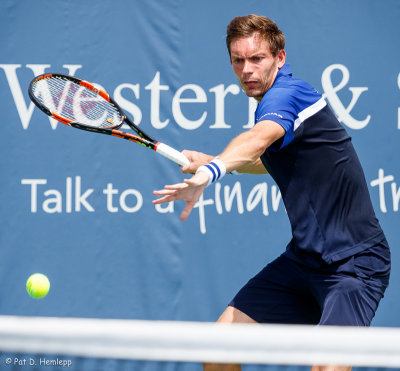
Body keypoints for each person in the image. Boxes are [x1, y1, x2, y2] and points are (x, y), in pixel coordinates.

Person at [153, 14, 391, 371]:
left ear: (280, 58)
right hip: (304, 261)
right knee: (219, 349)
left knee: (327, 367)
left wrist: (212, 171)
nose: (246, 69)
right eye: (238, 60)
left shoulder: (287, 94)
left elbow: (256, 141)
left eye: (256, 59)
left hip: (353, 265)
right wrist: (214, 159)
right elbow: (266, 160)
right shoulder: (279, 103)